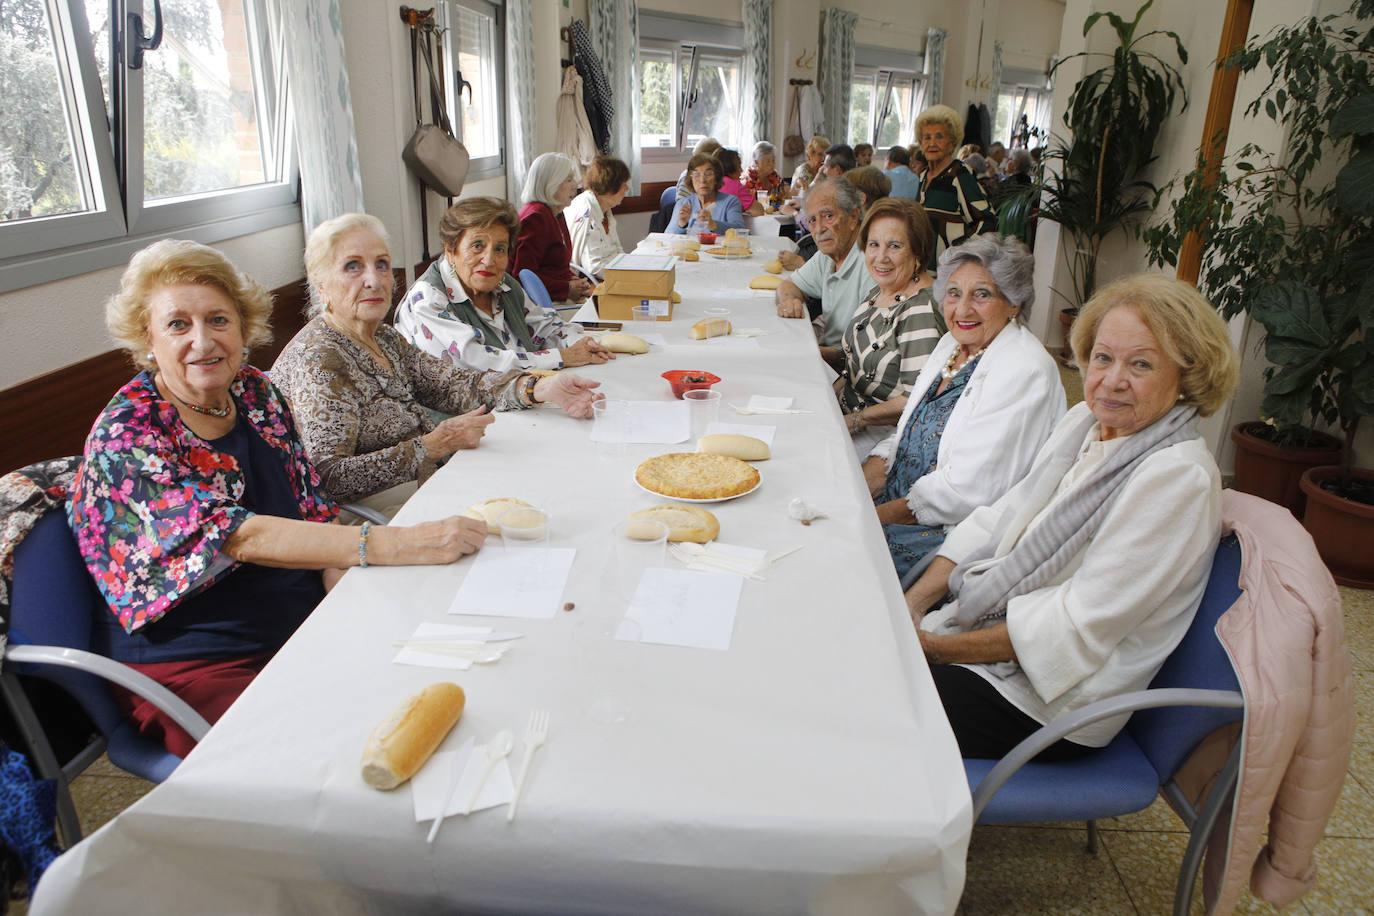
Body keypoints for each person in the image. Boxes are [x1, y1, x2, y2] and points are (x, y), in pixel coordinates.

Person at [68, 239, 495, 756]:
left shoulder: (256, 394)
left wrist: (358, 606)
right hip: (198, 654)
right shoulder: (129, 432)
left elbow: (314, 512)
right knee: (323, 753)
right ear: (147, 339)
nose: (202, 341)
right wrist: (395, 545)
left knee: (433, 687)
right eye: (178, 324)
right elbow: (240, 536)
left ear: (243, 328)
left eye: (218, 320)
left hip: (293, 615)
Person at [905, 273, 1240, 761]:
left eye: (1141, 364)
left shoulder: (1177, 477)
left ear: (1186, 377)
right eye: (1103, 357)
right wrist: (913, 605)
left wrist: (931, 647)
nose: (1112, 379)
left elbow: (1073, 627)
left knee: (867, 701)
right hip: (988, 639)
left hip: (1054, 704)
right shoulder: (1085, 422)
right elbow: (1001, 516)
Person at [274, 213, 604, 511]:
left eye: (382, 265)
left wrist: (539, 387)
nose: (373, 279)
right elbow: (327, 477)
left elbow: (456, 385)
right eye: (352, 267)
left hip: (430, 479)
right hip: (376, 513)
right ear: (320, 284)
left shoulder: (384, 338)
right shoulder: (320, 358)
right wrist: (431, 446)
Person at [862, 234, 1065, 583]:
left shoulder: (1023, 368)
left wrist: (864, 517)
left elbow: (966, 491)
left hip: (947, 536)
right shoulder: (951, 345)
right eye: (954, 293)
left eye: (982, 294)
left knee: (836, 562)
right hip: (897, 505)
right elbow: (908, 433)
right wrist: (860, 491)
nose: (963, 309)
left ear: (1013, 302)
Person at [396, 199, 609, 375]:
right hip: (468, 419)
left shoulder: (503, 285)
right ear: (451, 250)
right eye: (477, 246)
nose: (489, 260)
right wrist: (562, 357)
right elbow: (478, 363)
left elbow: (544, 327)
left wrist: (585, 344)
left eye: (500, 249)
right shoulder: (427, 300)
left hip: (524, 398)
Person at [833, 198, 944, 434]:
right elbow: (856, 363)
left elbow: (913, 398)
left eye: (894, 246)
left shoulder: (919, 308)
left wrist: (855, 420)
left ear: (917, 249)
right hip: (845, 414)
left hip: (879, 434)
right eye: (874, 244)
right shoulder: (884, 289)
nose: (881, 257)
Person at [774, 177, 872, 346]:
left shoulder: (872, 261)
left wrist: (815, 355)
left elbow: (869, 347)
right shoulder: (828, 254)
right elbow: (788, 285)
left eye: (828, 216)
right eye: (812, 220)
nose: (819, 229)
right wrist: (789, 300)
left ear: (853, 217)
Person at [916, 105, 998, 269]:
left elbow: (987, 221)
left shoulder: (959, 175)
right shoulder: (924, 176)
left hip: (950, 272)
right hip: (926, 270)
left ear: (951, 143)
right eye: (927, 137)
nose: (932, 143)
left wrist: (959, 254)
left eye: (939, 137)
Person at [512, 153, 593, 303]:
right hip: (543, 305)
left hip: (557, 298)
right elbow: (522, 276)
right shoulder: (535, 218)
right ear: (551, 184)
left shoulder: (555, 213)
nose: (576, 185)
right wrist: (566, 288)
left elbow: (552, 265)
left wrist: (573, 280)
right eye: (569, 180)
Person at [563, 155, 630, 279]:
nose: (627, 189)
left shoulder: (605, 209)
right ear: (610, 186)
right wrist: (627, 275)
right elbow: (594, 267)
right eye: (623, 184)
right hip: (586, 281)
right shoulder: (585, 211)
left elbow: (617, 250)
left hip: (607, 275)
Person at [665, 153, 746, 235]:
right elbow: (667, 236)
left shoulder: (730, 202)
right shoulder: (683, 203)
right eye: (697, 175)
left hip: (721, 247)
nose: (702, 180)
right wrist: (681, 224)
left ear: (717, 178)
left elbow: (741, 230)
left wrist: (713, 224)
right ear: (691, 179)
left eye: (708, 174)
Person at [716, 148, 761, 216]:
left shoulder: (712, 183)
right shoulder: (735, 186)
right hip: (730, 225)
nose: (741, 171)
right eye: (739, 166)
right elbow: (758, 211)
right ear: (730, 168)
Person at [744, 141, 785, 211]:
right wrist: (762, 177)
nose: (772, 164)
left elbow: (781, 196)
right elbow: (749, 202)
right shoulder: (749, 177)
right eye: (768, 161)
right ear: (757, 162)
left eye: (773, 160)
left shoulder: (774, 174)